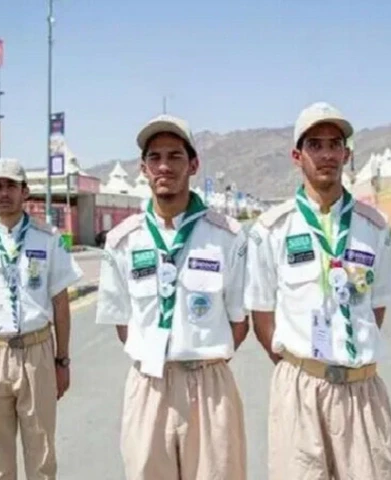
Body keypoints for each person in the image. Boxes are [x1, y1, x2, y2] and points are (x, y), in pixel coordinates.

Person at [245, 102, 391, 479]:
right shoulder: (271, 229)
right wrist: (300, 365)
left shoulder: (375, 227)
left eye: (335, 144)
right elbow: (262, 313)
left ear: (347, 154)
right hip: (300, 388)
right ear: (297, 156)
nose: (327, 154)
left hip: (361, 390)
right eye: (315, 144)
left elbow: (376, 307)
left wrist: (349, 354)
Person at [95, 114, 248, 479]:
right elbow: (122, 322)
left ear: (193, 164)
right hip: (149, 385)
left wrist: (199, 356)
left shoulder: (227, 236)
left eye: (175, 156)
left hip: (209, 385)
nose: (164, 166)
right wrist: (155, 356)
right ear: (143, 168)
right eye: (155, 157)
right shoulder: (122, 241)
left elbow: (239, 321)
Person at [0, 158, 83, 480]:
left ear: (25, 191)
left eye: (11, 185)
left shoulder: (48, 238)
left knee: (40, 454)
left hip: (36, 352)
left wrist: (62, 360)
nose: (4, 193)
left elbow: (60, 302)